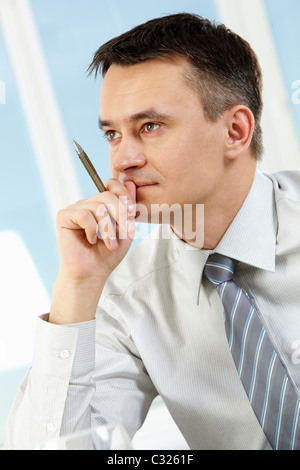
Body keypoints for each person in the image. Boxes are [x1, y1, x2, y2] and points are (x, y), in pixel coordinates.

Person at [4, 12, 300, 450]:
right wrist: (77, 287)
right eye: (112, 135)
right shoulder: (127, 296)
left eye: (149, 127)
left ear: (235, 131)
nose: (123, 159)